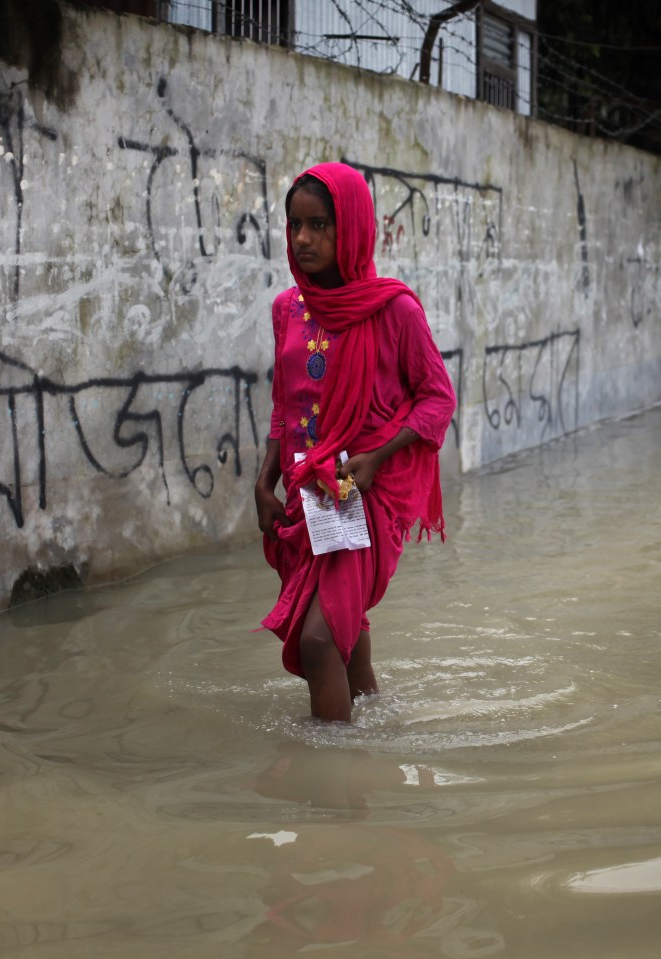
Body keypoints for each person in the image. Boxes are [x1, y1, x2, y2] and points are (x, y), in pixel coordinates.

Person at [254, 162, 456, 723]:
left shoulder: (394, 309)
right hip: (308, 495)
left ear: (354, 229)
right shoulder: (287, 310)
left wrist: (377, 457)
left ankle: (338, 793)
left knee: (319, 642)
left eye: (320, 225)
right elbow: (284, 403)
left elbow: (437, 398)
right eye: (295, 225)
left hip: (363, 497)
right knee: (345, 632)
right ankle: (377, 723)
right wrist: (263, 482)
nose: (303, 239)